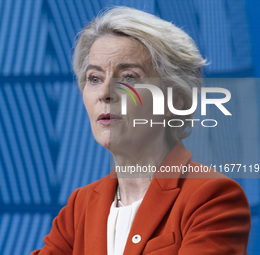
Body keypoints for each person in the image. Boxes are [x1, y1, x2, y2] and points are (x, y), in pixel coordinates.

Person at [31, 7, 250, 255]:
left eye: (128, 77)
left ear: (175, 100)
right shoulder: (78, 207)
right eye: (94, 78)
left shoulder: (211, 197)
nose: (105, 93)